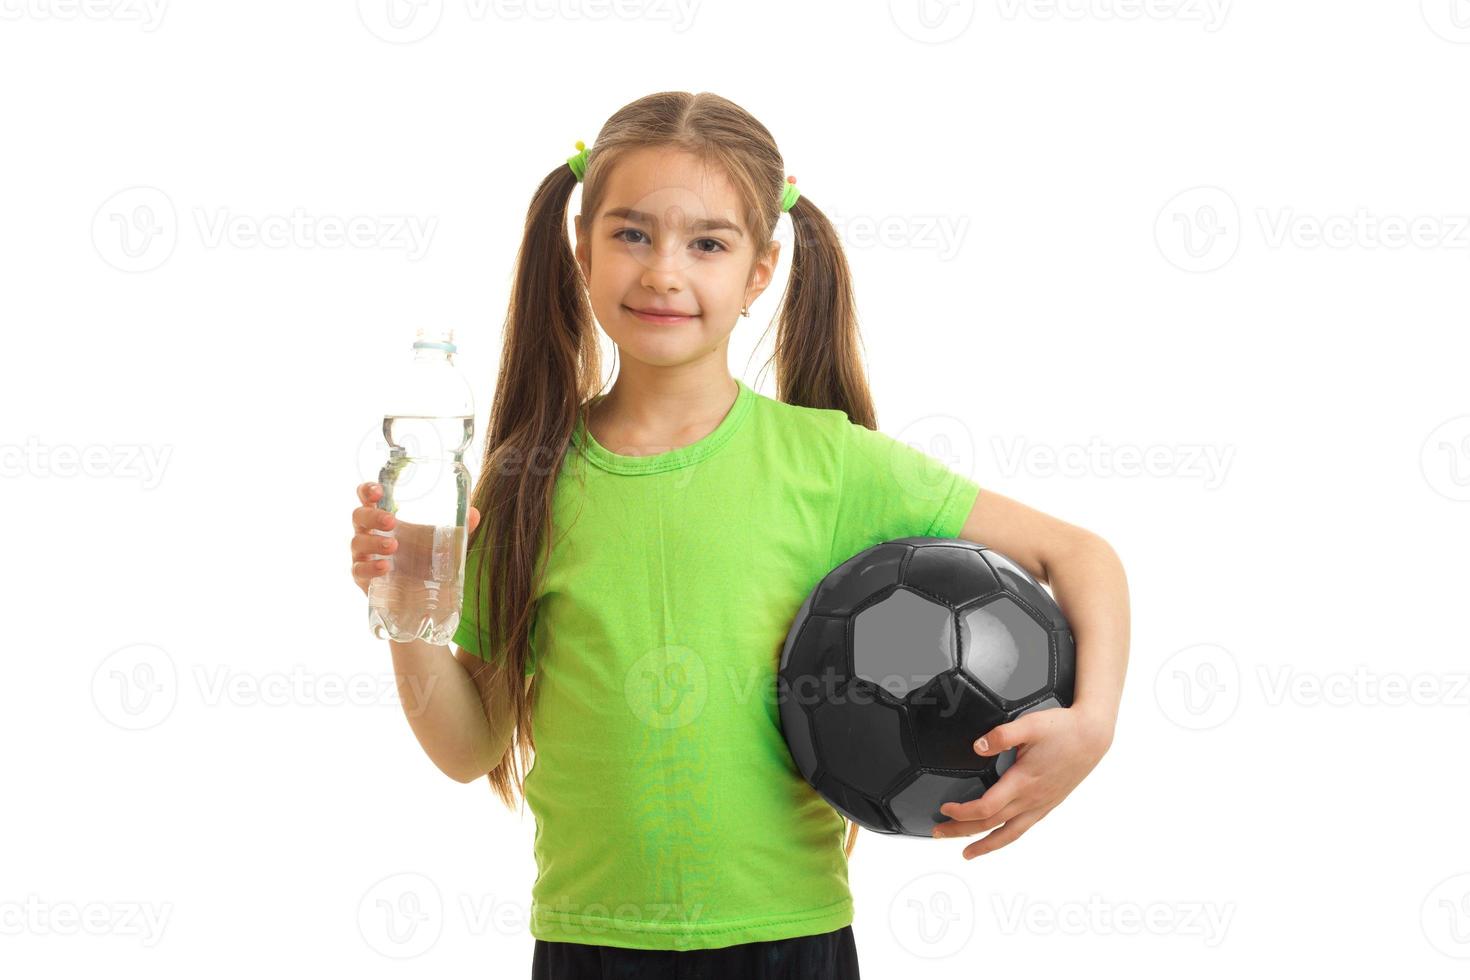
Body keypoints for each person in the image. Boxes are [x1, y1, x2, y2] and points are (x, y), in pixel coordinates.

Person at [348, 90, 1128, 979]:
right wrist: (407, 618)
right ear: (581, 250)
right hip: (590, 942)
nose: (663, 272)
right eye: (631, 234)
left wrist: (1090, 725)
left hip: (788, 942)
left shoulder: (827, 465)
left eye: (707, 243)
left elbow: (1082, 559)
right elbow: (468, 747)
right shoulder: (526, 481)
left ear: (760, 271)